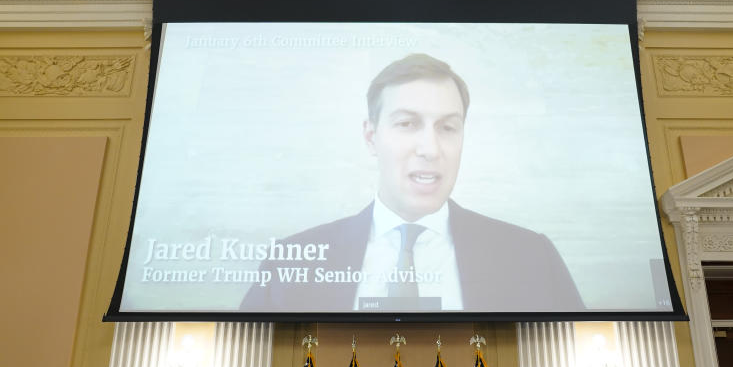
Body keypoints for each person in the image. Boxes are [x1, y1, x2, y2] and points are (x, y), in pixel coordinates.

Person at [241, 53, 584, 313]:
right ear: (371, 135)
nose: (430, 149)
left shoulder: (530, 255)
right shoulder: (291, 260)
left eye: (447, 127)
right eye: (407, 124)